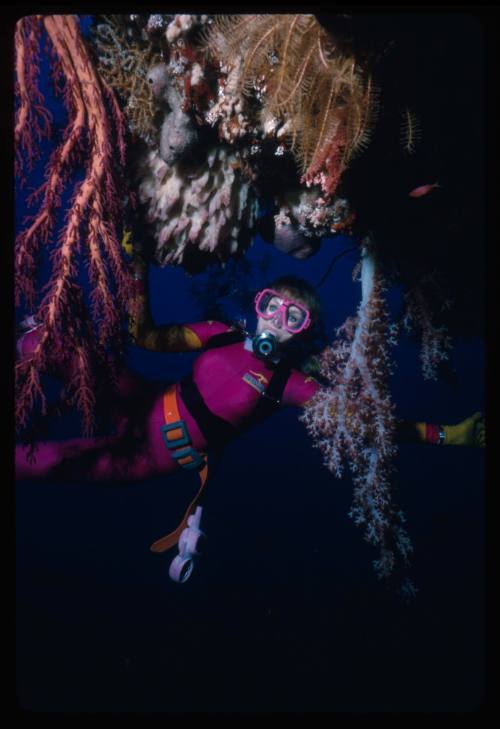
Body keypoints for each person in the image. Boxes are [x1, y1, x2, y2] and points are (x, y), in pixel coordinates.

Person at [15, 247, 485, 562]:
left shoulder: (289, 384)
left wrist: (446, 434)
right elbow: (147, 335)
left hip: (148, 457)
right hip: (140, 400)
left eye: (293, 317)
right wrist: (137, 261)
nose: (276, 321)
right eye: (271, 306)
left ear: (303, 332)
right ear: (257, 306)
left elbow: (368, 425)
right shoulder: (223, 334)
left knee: (36, 464)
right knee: (43, 343)